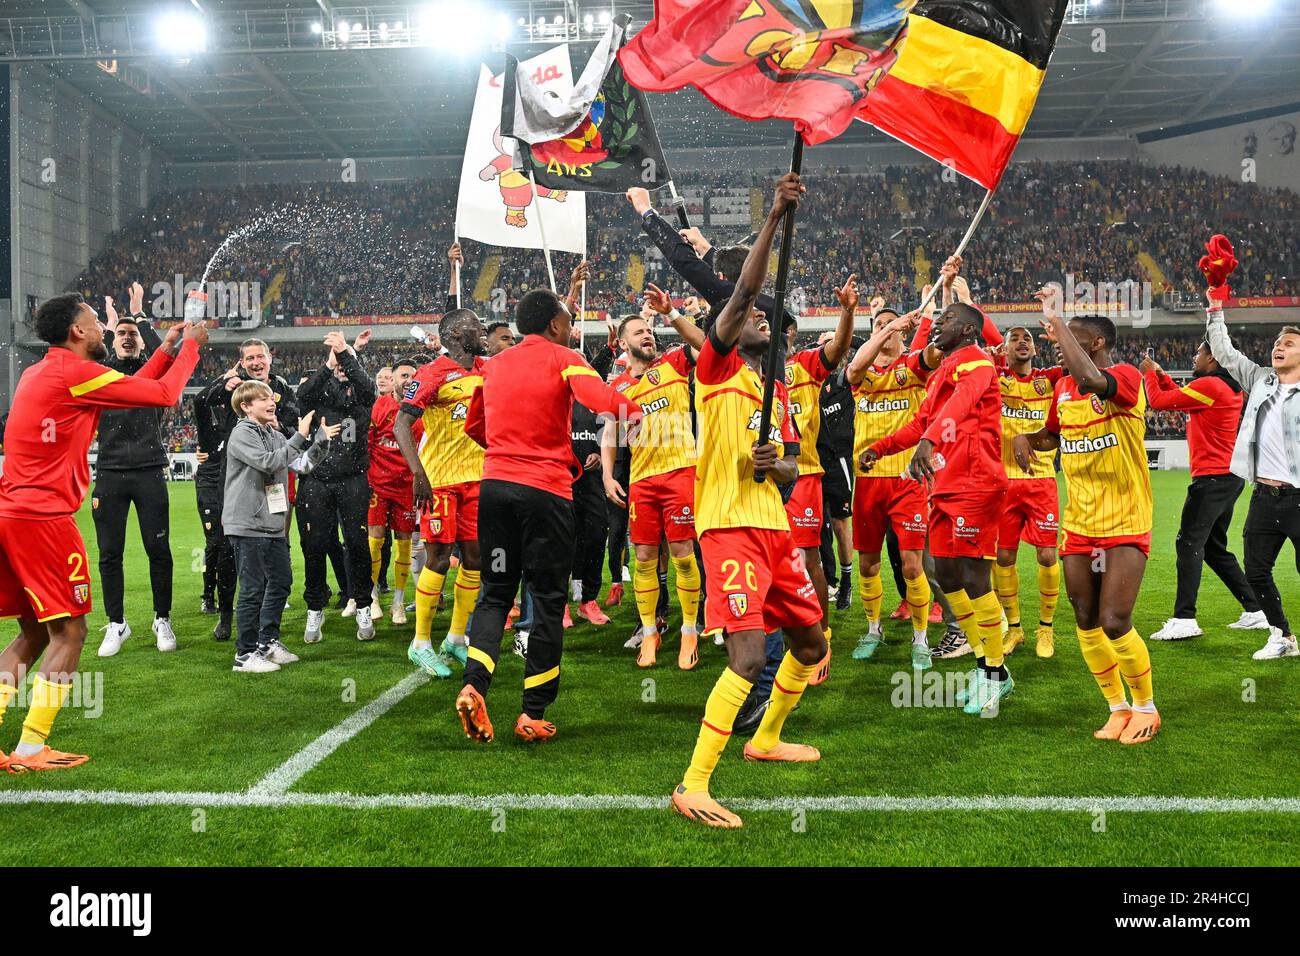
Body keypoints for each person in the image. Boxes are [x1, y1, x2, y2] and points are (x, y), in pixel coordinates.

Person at [671, 172, 828, 830]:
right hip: (729, 529)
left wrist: (778, 463)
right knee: (744, 656)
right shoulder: (715, 369)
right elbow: (744, 292)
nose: (761, 318)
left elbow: (790, 467)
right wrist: (774, 219)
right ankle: (692, 784)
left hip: (775, 529)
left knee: (812, 645)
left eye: (764, 319)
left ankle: (765, 739)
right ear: (727, 332)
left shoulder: (777, 389)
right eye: (752, 319)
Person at [0, 293, 203, 772]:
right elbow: (163, 396)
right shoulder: (74, 373)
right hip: (44, 518)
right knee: (70, 630)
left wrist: (167, 350)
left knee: (31, 631)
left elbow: (131, 388)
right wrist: (192, 348)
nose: (104, 331)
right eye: (95, 323)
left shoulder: (43, 371)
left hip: (11, 512)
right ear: (77, 332)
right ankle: (31, 748)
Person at [454, 287, 642, 744]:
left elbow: (474, 427)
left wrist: (507, 456)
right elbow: (604, 400)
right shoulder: (563, 358)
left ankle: (474, 684)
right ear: (556, 326)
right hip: (546, 494)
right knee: (548, 600)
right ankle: (531, 713)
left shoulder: (493, 367)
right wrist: (640, 412)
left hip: (495, 490)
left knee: (495, 594)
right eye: (567, 320)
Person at [1013, 292, 1159, 743]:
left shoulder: (1125, 378)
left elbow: (1091, 378)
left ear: (1095, 342)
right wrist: (1027, 438)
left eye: (1070, 338)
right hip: (1080, 522)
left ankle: (1146, 708)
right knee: (1085, 618)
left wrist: (1056, 319)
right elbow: (1052, 437)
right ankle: (1117, 708)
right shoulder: (1060, 390)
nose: (1057, 342)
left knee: (1116, 620)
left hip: (1125, 519)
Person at [865, 300, 1012, 715]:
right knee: (946, 575)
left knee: (974, 578)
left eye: (946, 320)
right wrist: (881, 447)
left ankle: (994, 672)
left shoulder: (978, 363)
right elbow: (921, 421)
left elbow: (958, 407)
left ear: (967, 330)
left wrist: (929, 441)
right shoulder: (943, 371)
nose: (937, 325)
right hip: (946, 486)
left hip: (976, 483)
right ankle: (989, 666)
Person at [1144, 340, 1265, 642]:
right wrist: (1161, 375)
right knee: (1212, 549)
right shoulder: (1223, 386)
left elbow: (1159, 402)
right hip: (1226, 477)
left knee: (1188, 543)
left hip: (1212, 479)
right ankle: (1256, 610)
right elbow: (1177, 396)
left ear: (1212, 358)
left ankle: (1185, 618)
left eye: (1198, 352)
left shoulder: (1211, 385)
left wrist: (1147, 374)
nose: (1194, 356)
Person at [601, 311, 702, 669]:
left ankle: (690, 628)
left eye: (649, 330)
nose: (647, 335)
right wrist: (608, 475)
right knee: (643, 558)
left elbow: (705, 345)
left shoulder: (674, 362)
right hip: (641, 481)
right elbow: (610, 435)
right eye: (638, 332)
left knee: (682, 554)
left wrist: (673, 315)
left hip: (680, 472)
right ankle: (649, 632)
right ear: (623, 343)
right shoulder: (617, 388)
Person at [1205, 299, 1300, 660]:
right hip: (1264, 496)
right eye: (1278, 342)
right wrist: (1215, 304)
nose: (1279, 346)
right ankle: (1282, 636)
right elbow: (1224, 351)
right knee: (1257, 572)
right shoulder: (1261, 379)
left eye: (1289, 343)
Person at [845, 308, 940, 669]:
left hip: (908, 479)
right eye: (879, 326)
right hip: (867, 480)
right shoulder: (862, 372)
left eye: (892, 325)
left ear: (905, 333)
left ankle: (920, 638)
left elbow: (933, 353)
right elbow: (852, 370)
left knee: (911, 565)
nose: (886, 330)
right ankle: (873, 629)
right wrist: (888, 329)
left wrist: (932, 313)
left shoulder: (914, 365)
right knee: (868, 564)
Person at [395, 310, 488, 677]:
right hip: (440, 480)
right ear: (453, 333)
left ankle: (456, 638)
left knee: (476, 558)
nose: (481, 330)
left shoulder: (487, 366)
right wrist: (417, 473)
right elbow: (402, 424)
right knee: (436, 558)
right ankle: (420, 643)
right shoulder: (431, 373)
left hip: (479, 478)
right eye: (474, 326)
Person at [91, 283, 178, 656]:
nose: (128, 338)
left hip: (149, 471)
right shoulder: (100, 372)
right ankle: (116, 623)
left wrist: (139, 314)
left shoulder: (152, 370)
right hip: (109, 472)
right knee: (110, 552)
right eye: (121, 334)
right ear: (113, 340)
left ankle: (162, 618)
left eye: (134, 334)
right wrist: (111, 328)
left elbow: (169, 351)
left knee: (158, 548)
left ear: (143, 341)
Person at [224, 385, 336, 673]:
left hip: (272, 524)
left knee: (281, 582)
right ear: (246, 406)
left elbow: (301, 464)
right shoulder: (242, 433)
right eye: (262, 398)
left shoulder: (274, 435)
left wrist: (320, 442)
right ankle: (244, 654)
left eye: (271, 397)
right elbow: (268, 462)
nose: (271, 401)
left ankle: (267, 642)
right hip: (248, 523)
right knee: (252, 589)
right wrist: (299, 435)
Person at [779, 275, 856, 684]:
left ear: (789, 335)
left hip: (802, 476)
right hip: (754, 480)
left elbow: (839, 349)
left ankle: (821, 637)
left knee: (807, 558)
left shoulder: (802, 367)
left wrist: (847, 311)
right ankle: (774, 632)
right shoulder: (743, 370)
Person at [295, 331, 377, 642]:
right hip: (316, 480)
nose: (342, 367)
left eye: (347, 363)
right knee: (314, 546)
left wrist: (346, 353)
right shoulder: (317, 393)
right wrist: (330, 364)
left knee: (357, 544)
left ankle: (363, 605)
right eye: (338, 364)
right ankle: (315, 608)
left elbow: (368, 389)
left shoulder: (362, 393)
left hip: (353, 478)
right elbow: (302, 397)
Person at [993, 326, 1064, 659]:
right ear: (1004, 348)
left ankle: (1045, 629)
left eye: (1028, 339)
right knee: (1004, 557)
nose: (1023, 342)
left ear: (1036, 349)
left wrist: (1059, 332)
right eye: (1015, 339)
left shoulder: (1049, 379)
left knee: (1048, 556)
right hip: (1003, 482)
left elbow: (1077, 364)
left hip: (1042, 479)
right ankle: (1015, 628)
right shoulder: (994, 377)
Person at [366, 358, 421, 625]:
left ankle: (398, 602)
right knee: (375, 541)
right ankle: (373, 596)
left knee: (404, 545)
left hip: (407, 488)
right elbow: (369, 443)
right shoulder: (380, 405)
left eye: (412, 376)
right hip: (379, 485)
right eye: (403, 376)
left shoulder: (422, 410)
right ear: (395, 380)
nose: (407, 381)